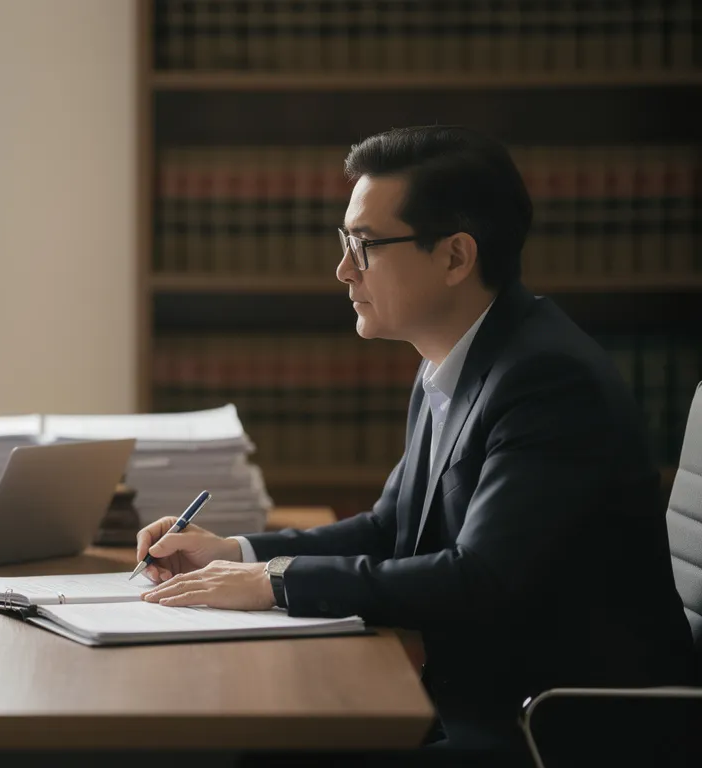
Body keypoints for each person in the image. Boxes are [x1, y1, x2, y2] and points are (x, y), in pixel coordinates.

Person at [134, 126, 695, 762]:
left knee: (252, 750)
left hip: (559, 732)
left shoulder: (547, 380)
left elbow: (479, 577)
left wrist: (274, 581)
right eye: (346, 241)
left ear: (456, 257)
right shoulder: (453, 358)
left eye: (366, 246)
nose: (343, 269)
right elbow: (392, 527)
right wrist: (233, 552)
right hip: (482, 705)